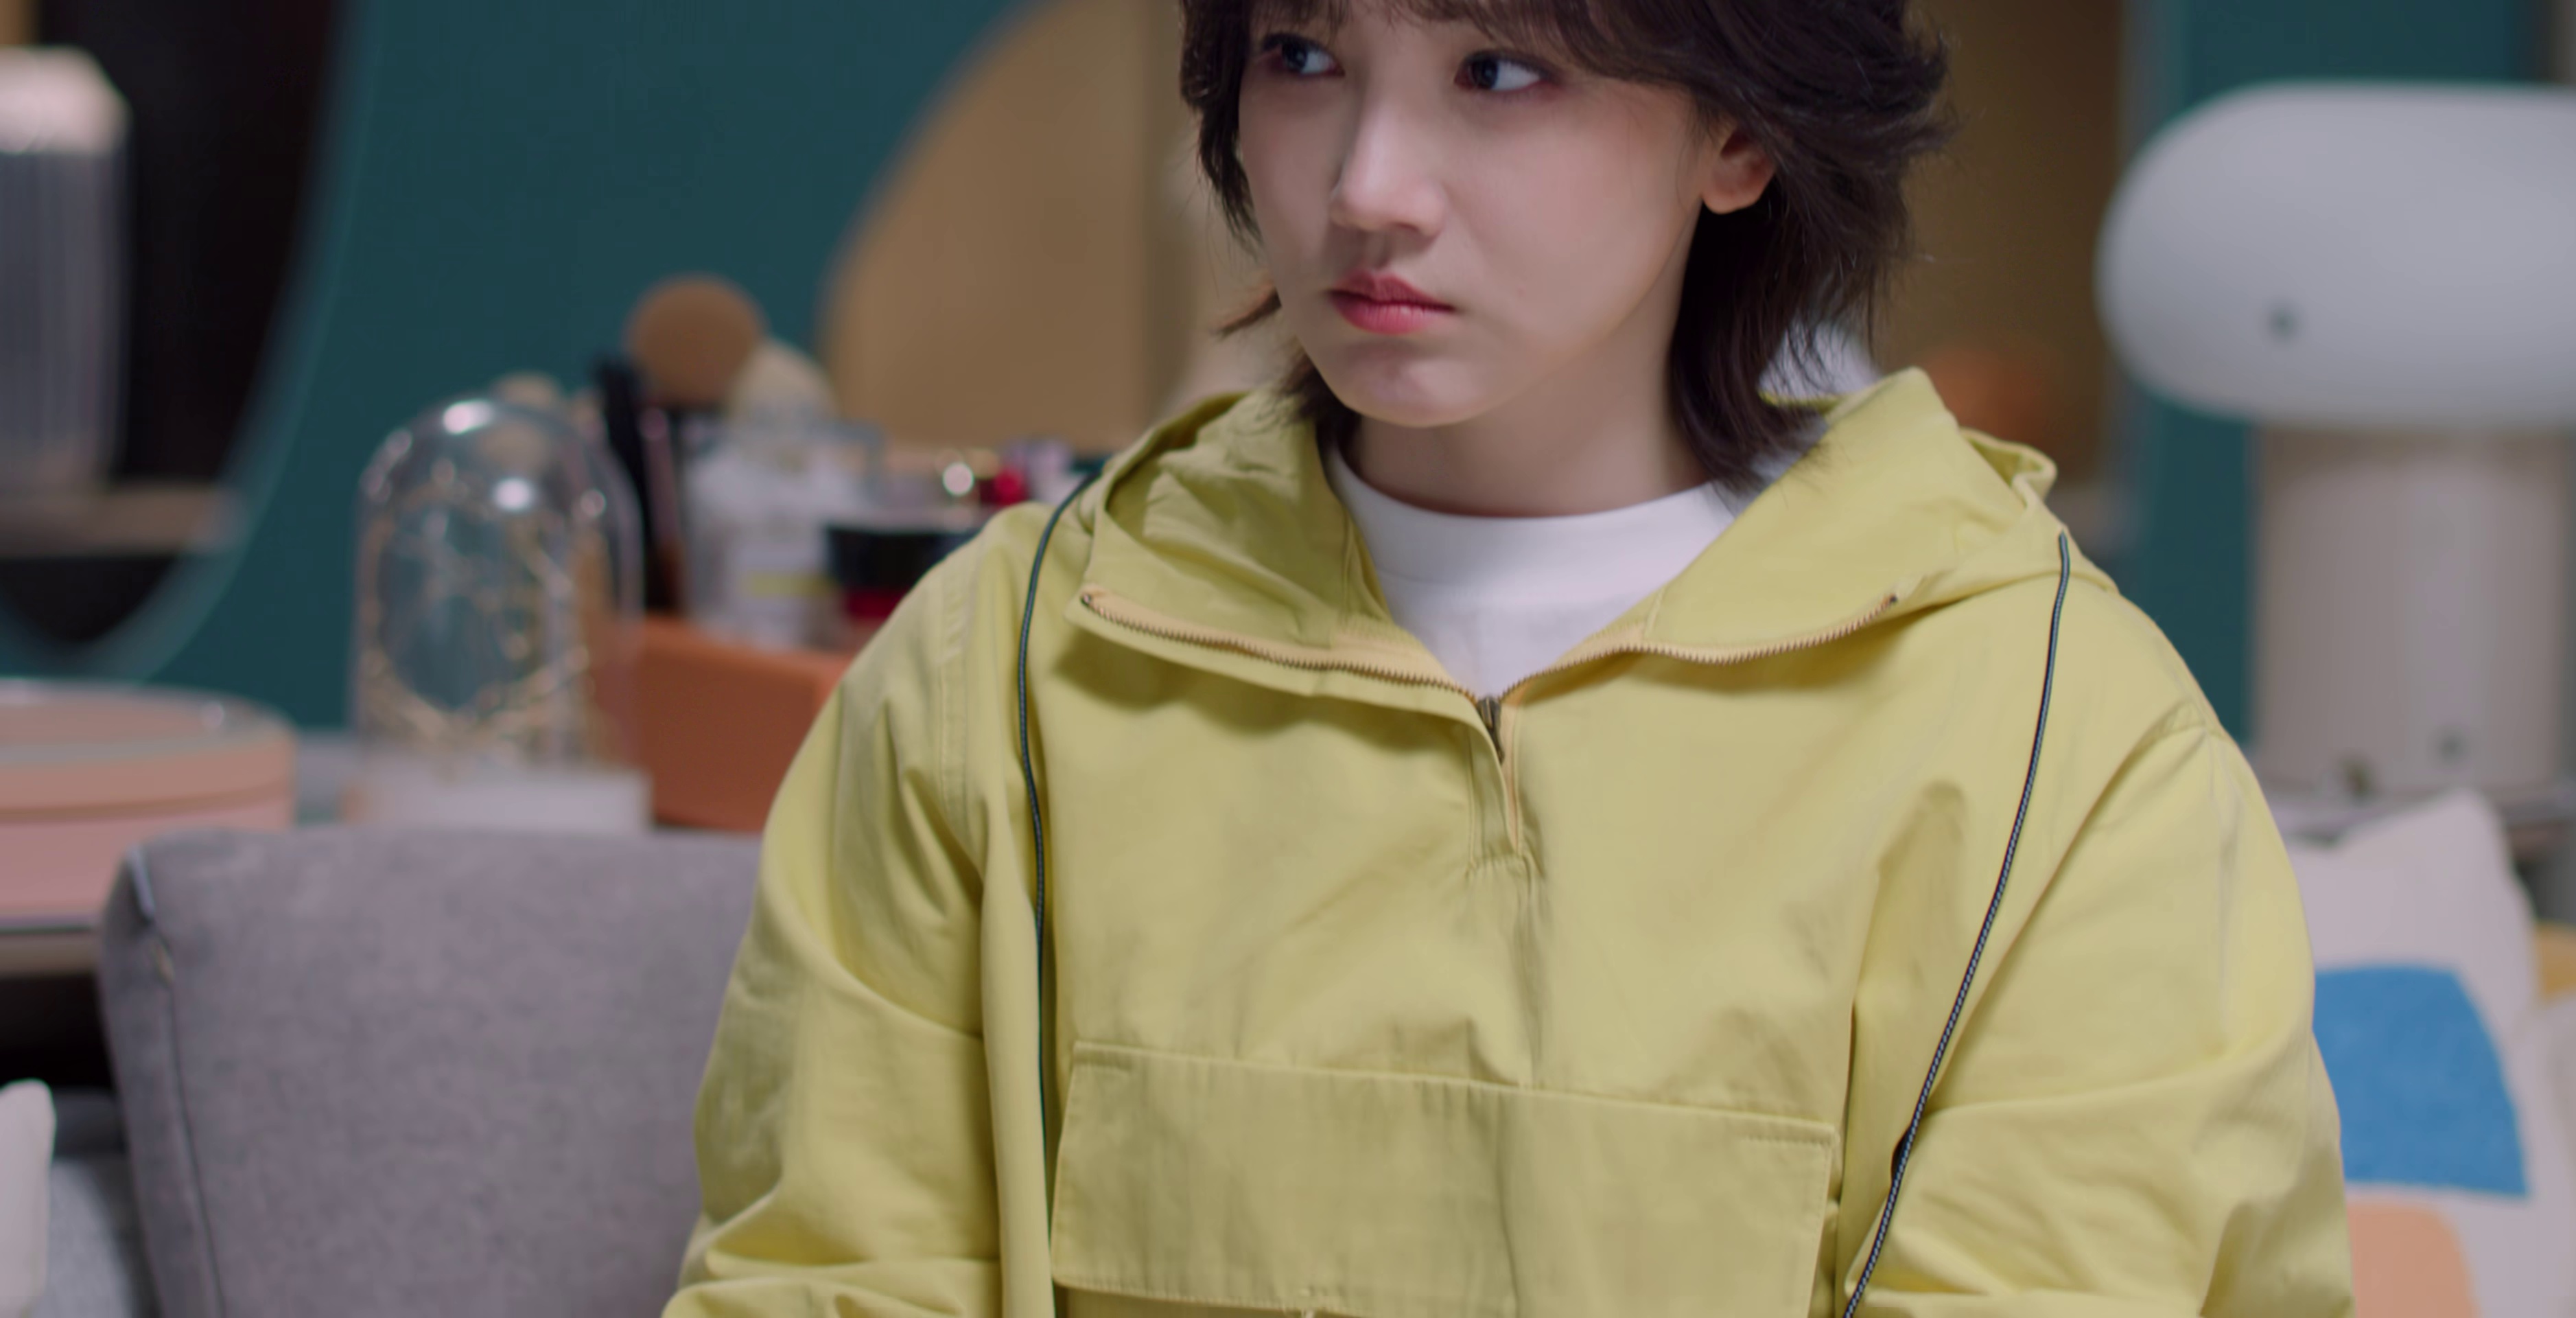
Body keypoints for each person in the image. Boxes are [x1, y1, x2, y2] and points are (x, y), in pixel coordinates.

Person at [666, 1, 2354, 1314]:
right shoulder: (996, 673)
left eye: (1501, 70)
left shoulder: (2055, 728)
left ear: (1740, 131)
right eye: (1304, 56)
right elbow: (833, 1279)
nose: (1367, 189)